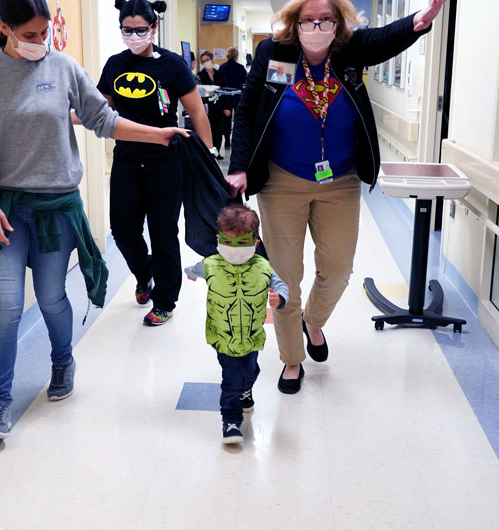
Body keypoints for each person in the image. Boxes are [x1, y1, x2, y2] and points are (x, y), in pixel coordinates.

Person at [0, 0, 189, 439]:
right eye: (29, 35)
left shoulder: (62, 68)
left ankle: (62, 360)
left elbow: (103, 119)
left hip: (55, 207)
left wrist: (156, 133)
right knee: (4, 308)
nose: (39, 43)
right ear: (4, 27)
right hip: (0, 209)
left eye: (44, 34)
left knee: (50, 297)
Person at [226, 0, 446, 394]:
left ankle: (314, 321)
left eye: (325, 19)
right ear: (295, 22)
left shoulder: (349, 51)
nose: (317, 26)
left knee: (339, 269)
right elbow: (246, 112)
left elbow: (384, 40)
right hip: (281, 182)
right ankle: (292, 360)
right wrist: (240, 165)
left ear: (337, 22)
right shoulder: (273, 53)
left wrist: (419, 21)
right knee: (286, 278)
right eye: (308, 19)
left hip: (339, 181)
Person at [97, 0, 213, 327]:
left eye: (140, 30)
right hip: (127, 160)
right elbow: (100, 111)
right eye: (127, 30)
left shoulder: (172, 66)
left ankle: (165, 299)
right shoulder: (114, 65)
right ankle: (143, 270)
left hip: (165, 163)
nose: (133, 36)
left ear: (154, 28)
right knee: (122, 228)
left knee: (163, 232)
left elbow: (198, 113)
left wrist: (205, 158)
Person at [184, 205, 288, 445]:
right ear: (219, 239)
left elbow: (282, 286)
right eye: (227, 242)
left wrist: (280, 298)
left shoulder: (263, 267)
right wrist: (190, 272)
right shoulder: (211, 264)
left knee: (251, 371)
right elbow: (196, 269)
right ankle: (230, 420)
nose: (233, 250)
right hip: (223, 336)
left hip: (252, 336)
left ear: (255, 242)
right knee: (232, 380)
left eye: (241, 243)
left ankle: (245, 390)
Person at [198, 51, 228, 159]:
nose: (205, 63)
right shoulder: (200, 76)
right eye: (203, 61)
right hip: (208, 108)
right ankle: (210, 151)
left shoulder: (219, 74)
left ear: (212, 60)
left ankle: (217, 151)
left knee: (219, 131)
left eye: (207, 60)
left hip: (219, 107)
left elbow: (225, 91)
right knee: (210, 129)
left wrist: (227, 107)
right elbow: (199, 94)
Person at [219, 47, 247, 149]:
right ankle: (236, 140)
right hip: (237, 95)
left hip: (225, 95)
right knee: (238, 118)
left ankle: (226, 141)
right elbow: (245, 81)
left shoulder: (222, 67)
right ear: (237, 56)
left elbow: (219, 82)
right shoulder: (240, 68)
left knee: (226, 118)